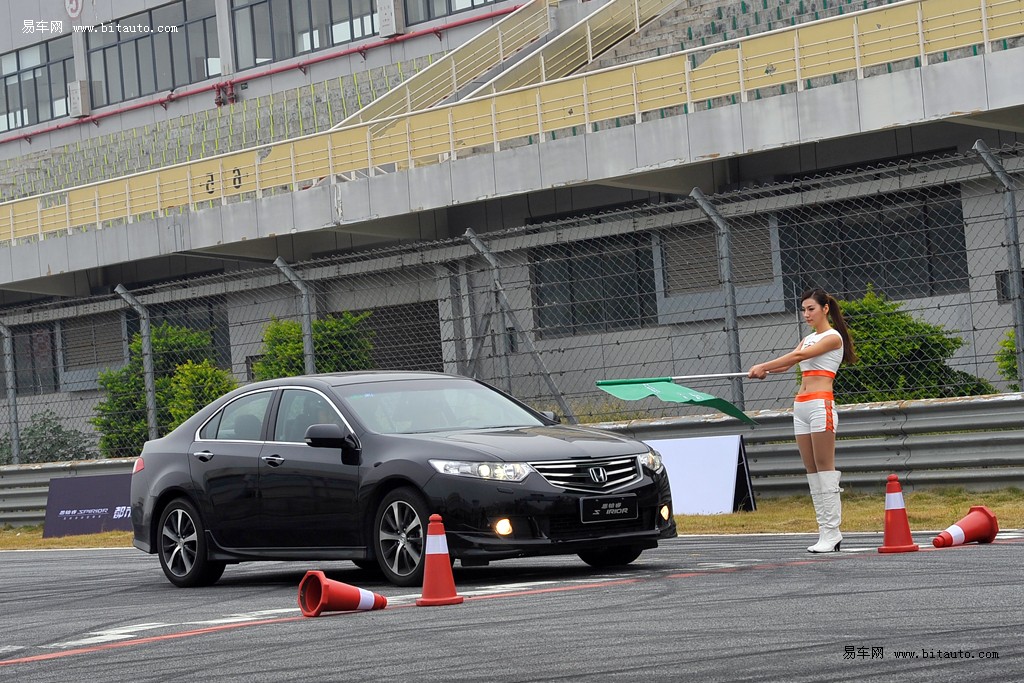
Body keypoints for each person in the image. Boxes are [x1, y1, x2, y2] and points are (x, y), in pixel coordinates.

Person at [747, 288, 857, 553]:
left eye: (811, 309)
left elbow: (797, 358)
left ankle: (832, 533)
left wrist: (763, 364)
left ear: (825, 309)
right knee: (811, 470)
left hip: (821, 405)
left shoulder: (833, 337)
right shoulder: (808, 339)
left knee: (824, 468)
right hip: (802, 407)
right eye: (804, 309)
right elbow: (787, 365)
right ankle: (824, 532)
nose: (806, 314)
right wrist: (765, 371)